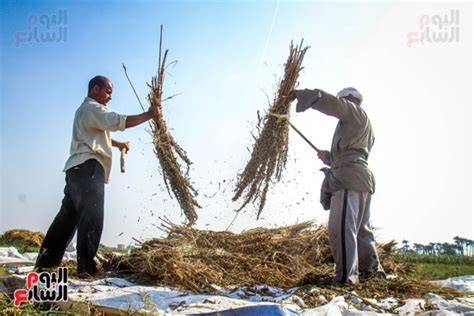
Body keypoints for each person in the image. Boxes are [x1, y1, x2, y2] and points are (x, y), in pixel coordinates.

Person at [35, 75, 161, 278]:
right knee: (92, 217)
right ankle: (87, 269)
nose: (110, 96)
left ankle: (45, 264)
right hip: (89, 168)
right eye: (108, 91)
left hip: (75, 170)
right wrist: (150, 114)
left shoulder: (85, 111)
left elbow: (99, 136)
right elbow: (121, 121)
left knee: (66, 220)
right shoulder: (93, 108)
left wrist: (119, 145)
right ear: (95, 89)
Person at [290, 87, 385, 285]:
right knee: (360, 230)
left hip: (349, 179)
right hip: (360, 177)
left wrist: (301, 94)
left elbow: (332, 104)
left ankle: (345, 280)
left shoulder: (355, 112)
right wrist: (330, 157)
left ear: (351, 99)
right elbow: (352, 153)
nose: (341, 102)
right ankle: (372, 273)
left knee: (341, 228)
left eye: (342, 99)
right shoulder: (363, 126)